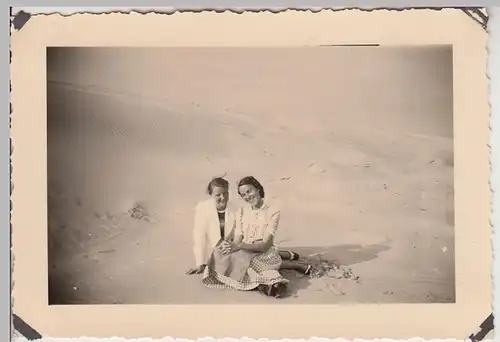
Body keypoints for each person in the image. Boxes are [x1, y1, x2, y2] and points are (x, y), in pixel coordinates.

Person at [199, 176, 314, 298]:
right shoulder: (242, 212)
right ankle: (279, 263)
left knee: (247, 263)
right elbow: (238, 238)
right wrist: (230, 246)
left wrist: (239, 247)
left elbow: (265, 246)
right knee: (218, 252)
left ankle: (288, 268)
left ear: (258, 189)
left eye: (249, 191)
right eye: (243, 195)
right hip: (244, 251)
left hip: (263, 253)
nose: (247, 197)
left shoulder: (273, 212)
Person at [186, 176, 302, 276]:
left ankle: (281, 259)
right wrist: (200, 263)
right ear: (211, 195)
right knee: (220, 264)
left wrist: (233, 244)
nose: (223, 197)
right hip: (225, 248)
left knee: (244, 263)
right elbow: (199, 237)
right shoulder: (203, 210)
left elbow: (239, 233)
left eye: (225, 193)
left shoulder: (236, 208)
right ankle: (282, 255)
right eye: (218, 195)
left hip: (239, 246)